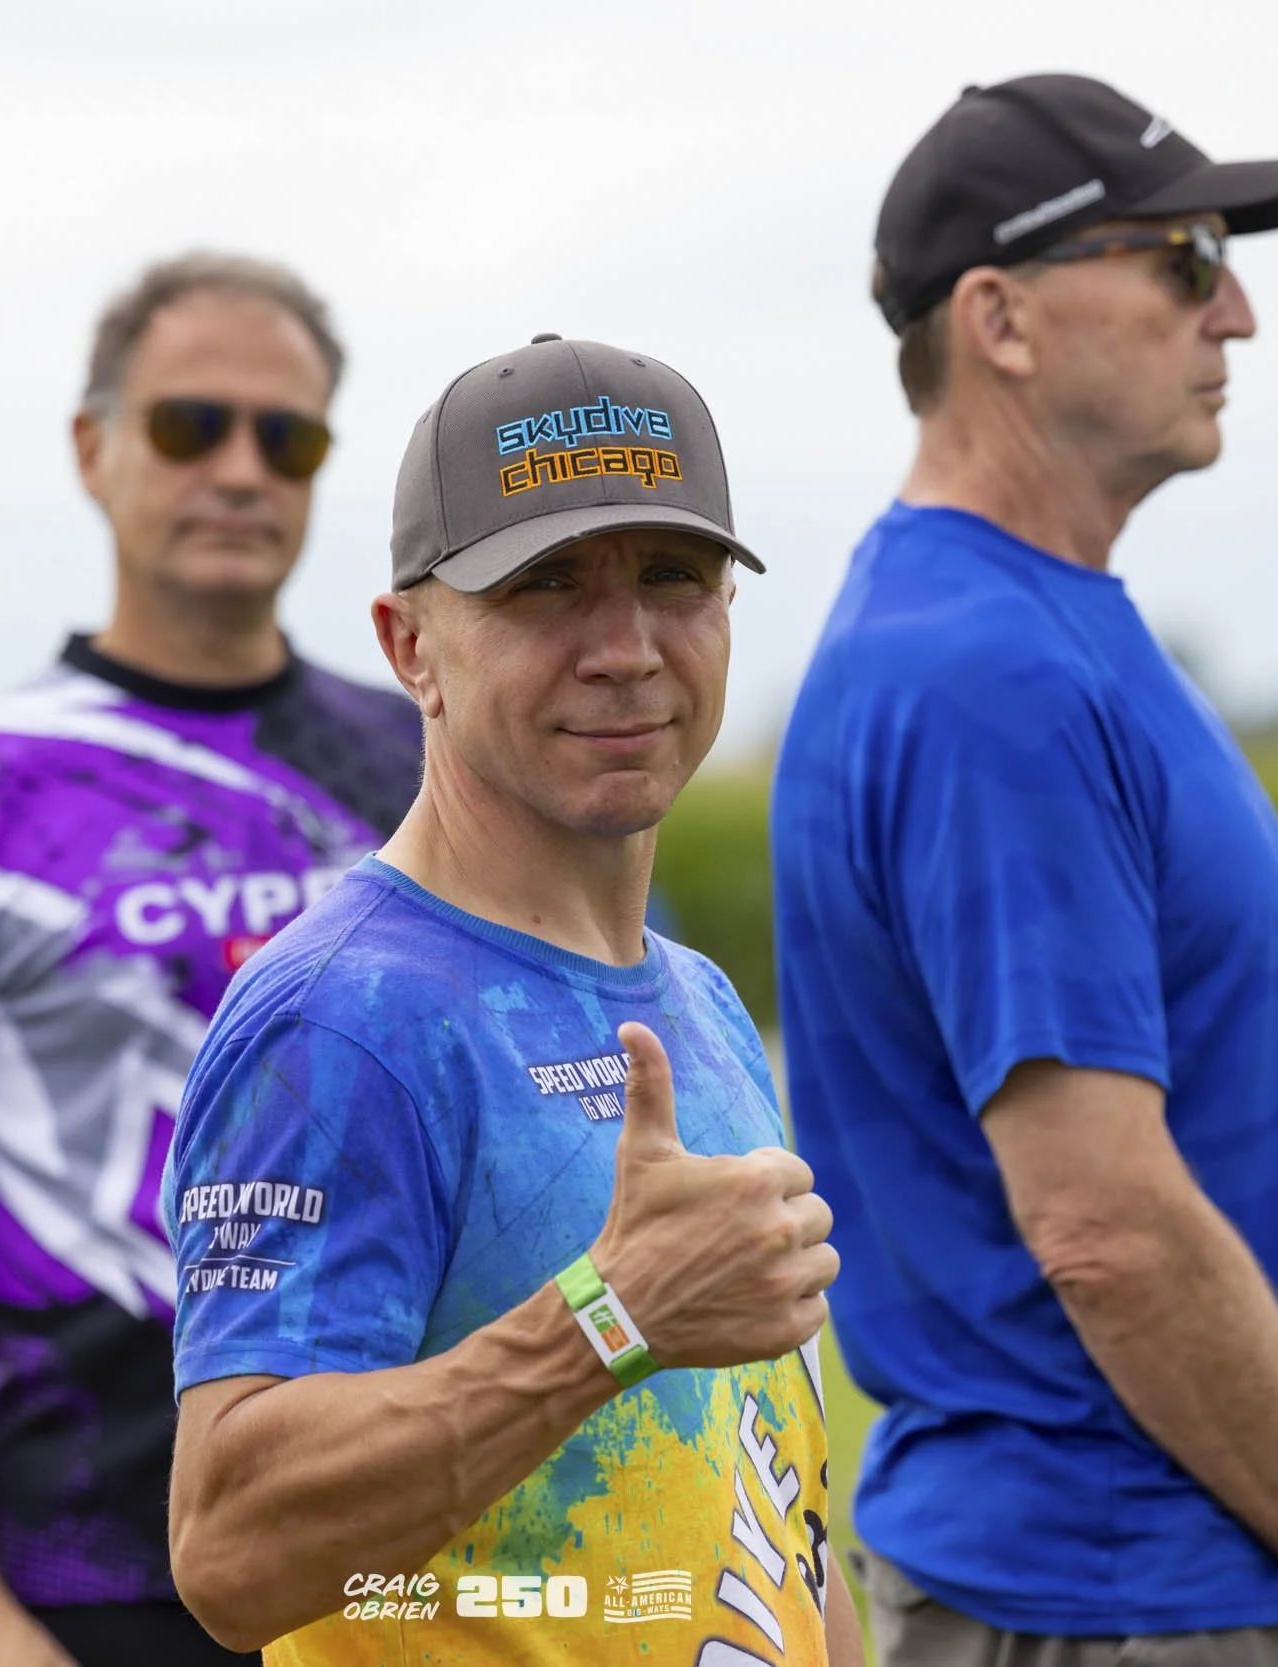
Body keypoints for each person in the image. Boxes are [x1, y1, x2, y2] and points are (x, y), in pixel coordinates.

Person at [771, 75, 1278, 1667]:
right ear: (1003, 318)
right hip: (1108, 1593)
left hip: (1155, 1571)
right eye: (1184, 257)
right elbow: (1103, 1222)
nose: (1237, 311)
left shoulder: (1033, 627)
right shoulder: (986, 672)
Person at [163, 333, 866, 1667]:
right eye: (546, 585)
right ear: (409, 643)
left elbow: (774, 1509)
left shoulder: (699, 1000)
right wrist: (613, 1313)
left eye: (675, 576)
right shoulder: (341, 1022)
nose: (628, 646)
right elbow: (231, 1548)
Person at [0, 252, 423, 1667]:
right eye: (193, 424)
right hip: (89, 1564)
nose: (242, 469)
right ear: (92, 446)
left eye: (288, 436)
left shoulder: (426, 762)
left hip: (415, 1545)